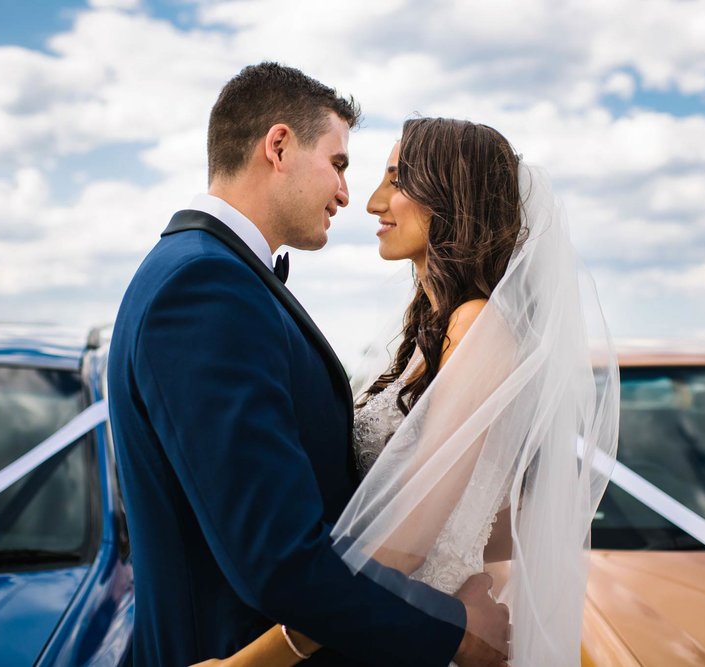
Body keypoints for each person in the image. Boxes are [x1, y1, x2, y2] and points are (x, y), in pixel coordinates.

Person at [107, 65, 509, 667]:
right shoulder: (204, 287)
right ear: (278, 146)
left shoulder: (203, 274)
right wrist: (452, 630)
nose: (350, 195)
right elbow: (278, 560)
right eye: (340, 164)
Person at [193, 118, 619, 667]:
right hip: (398, 621)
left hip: (414, 633)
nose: (372, 202)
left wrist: (252, 662)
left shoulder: (478, 328)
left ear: (451, 197)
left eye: (396, 180)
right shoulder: (433, 334)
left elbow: (407, 534)